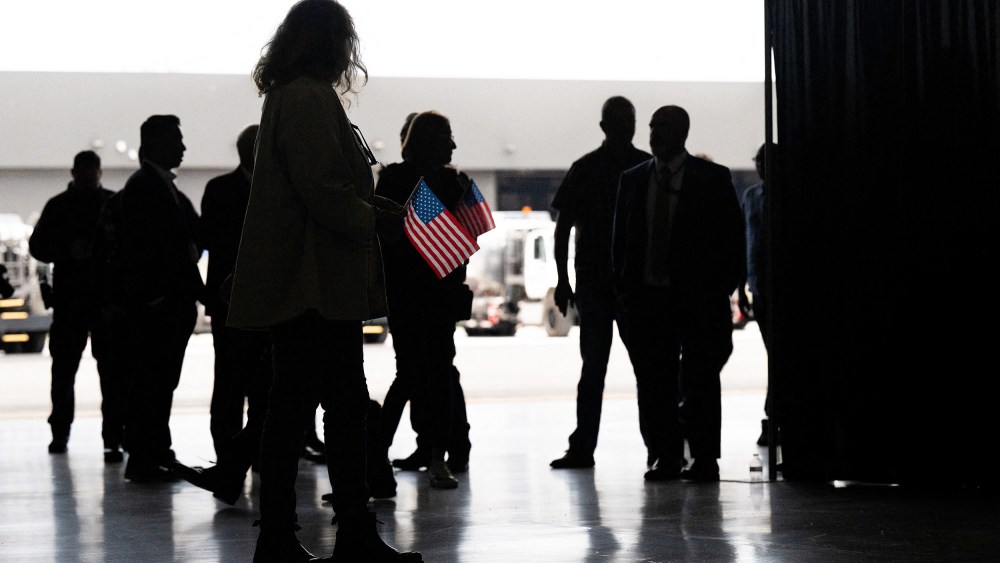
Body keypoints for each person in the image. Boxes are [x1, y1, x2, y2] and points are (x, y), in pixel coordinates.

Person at [226, 1, 420, 560]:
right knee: (333, 407)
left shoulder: (290, 96)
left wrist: (364, 204)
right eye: (342, 39)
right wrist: (376, 217)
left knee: (297, 405)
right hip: (315, 285)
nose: (347, 50)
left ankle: (285, 534)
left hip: (304, 283)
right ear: (327, 42)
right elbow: (324, 192)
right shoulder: (310, 98)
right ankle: (340, 532)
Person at [611, 105, 745, 482]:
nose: (653, 135)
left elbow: (733, 239)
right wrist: (625, 290)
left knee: (701, 380)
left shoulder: (712, 178)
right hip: (649, 298)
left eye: (662, 128)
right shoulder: (634, 179)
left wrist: (721, 287)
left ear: (683, 133)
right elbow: (620, 242)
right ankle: (665, 457)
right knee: (657, 381)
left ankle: (705, 459)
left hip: (698, 297)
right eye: (652, 128)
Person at [548, 96, 651, 469]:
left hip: (601, 284)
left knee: (595, 370)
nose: (627, 126)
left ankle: (583, 447)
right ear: (609, 126)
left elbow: (563, 231)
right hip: (629, 285)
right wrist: (562, 280)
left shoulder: (587, 168)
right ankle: (656, 448)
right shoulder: (645, 166)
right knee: (642, 369)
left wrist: (563, 280)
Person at [375, 110, 474, 488]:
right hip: (421, 292)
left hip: (422, 293)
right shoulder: (437, 183)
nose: (452, 145)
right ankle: (432, 457)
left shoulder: (398, 180)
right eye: (445, 136)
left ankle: (383, 455)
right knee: (428, 374)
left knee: (418, 374)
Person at [117, 115, 204, 483]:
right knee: (154, 383)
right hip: (159, 307)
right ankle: (146, 455)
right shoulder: (149, 189)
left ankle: (152, 452)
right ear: (157, 143)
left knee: (155, 383)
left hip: (162, 304)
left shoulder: (152, 185)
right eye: (177, 140)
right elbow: (158, 251)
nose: (183, 148)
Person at [28, 150, 123, 461]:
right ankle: (111, 437)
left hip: (74, 300)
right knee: (105, 373)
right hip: (100, 302)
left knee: (70, 372)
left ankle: (65, 434)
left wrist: (65, 251)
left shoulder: (59, 206)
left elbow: (39, 247)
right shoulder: (110, 204)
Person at [198, 124, 271, 461]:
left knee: (260, 385)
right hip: (235, 303)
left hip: (255, 304)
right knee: (230, 383)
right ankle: (228, 455)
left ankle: (252, 453)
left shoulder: (220, 189)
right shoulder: (229, 190)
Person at [738, 142, 775, 446]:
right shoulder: (751, 197)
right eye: (758, 161)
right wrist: (741, 287)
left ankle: (772, 415)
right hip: (759, 286)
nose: (761, 167)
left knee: (777, 355)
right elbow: (743, 243)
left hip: (776, 288)